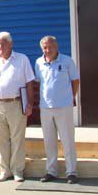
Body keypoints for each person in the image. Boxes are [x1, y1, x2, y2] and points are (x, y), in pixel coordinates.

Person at [0, 31, 35, 182]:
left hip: (16, 104)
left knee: (17, 139)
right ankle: (5, 170)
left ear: (11, 44)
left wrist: (30, 104)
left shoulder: (22, 59)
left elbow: (29, 83)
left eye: (3, 43)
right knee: (0, 139)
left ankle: (17, 171)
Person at [35, 36, 80, 184]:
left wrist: (70, 97)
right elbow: (39, 83)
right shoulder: (38, 62)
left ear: (56, 46)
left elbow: (75, 81)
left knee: (67, 140)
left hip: (64, 106)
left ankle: (71, 172)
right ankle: (51, 171)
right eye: (45, 48)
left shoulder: (67, 61)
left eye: (51, 47)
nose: (48, 50)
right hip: (45, 107)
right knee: (49, 141)